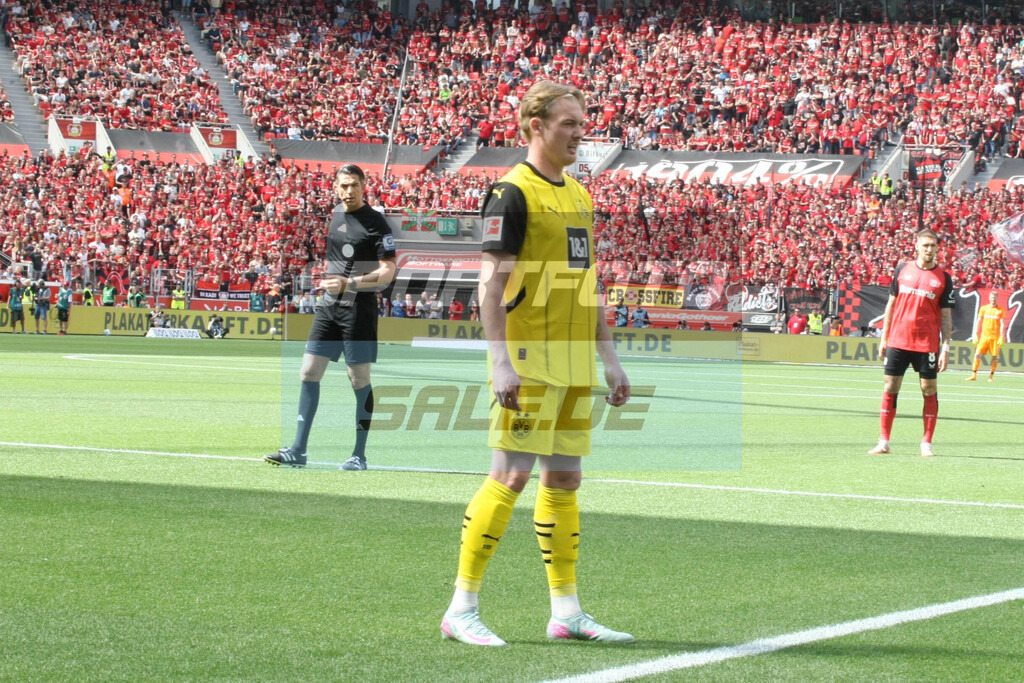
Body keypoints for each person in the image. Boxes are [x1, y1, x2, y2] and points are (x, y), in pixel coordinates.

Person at [441, 82, 634, 647]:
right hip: (529, 361)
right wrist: (500, 361)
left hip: (573, 363)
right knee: (511, 476)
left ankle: (566, 612)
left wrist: (609, 357)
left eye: (582, 122)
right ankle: (462, 607)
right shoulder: (511, 193)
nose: (580, 132)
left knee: (565, 480)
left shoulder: (579, 194)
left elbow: (587, 283)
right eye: (569, 123)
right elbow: (490, 282)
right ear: (535, 125)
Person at [265, 164, 397, 471]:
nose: (349, 191)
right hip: (329, 306)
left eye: (354, 185)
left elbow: (388, 273)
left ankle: (359, 456)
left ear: (364, 186)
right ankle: (298, 450)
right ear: (335, 188)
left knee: (359, 378)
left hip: (358, 309)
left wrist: (350, 283)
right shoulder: (336, 214)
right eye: (343, 186)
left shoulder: (377, 223)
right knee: (309, 371)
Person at [870, 229, 954, 458]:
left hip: (927, 343)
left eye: (933, 246)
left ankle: (926, 442)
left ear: (937, 248)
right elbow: (891, 305)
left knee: (929, 389)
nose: (929, 250)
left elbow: (946, 316)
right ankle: (884, 441)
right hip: (898, 339)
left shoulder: (943, 278)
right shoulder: (902, 270)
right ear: (916, 246)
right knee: (890, 386)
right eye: (925, 245)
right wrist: (884, 337)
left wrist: (945, 346)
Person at [966, 290, 1006, 382]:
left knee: (995, 357)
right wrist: (975, 334)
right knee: (977, 355)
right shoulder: (984, 308)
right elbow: (978, 321)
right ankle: (974, 375)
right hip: (984, 336)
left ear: (997, 299)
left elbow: (1002, 323)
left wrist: (1001, 336)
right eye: (992, 297)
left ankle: (991, 376)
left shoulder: (1000, 310)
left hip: (995, 338)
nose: (993, 299)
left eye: (995, 298)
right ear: (989, 298)